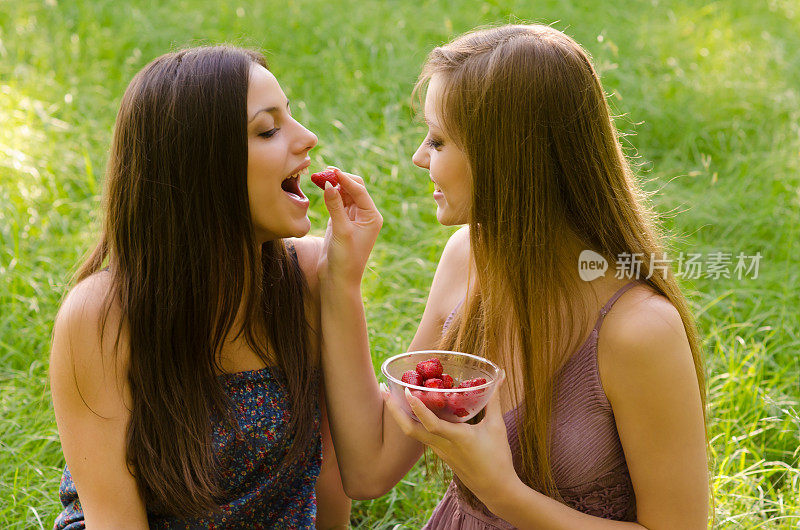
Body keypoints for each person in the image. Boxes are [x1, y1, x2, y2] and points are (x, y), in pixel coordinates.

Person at [319, 24, 709, 528]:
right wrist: (342, 283)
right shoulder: (466, 259)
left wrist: (501, 492)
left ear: (504, 159)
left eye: (437, 141)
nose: (419, 158)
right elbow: (370, 468)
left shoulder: (638, 330)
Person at [49, 45, 358, 528]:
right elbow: (115, 518)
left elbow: (332, 474)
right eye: (268, 130)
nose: (308, 139)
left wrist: (346, 283)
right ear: (200, 167)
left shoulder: (310, 275)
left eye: (291, 118)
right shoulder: (102, 316)